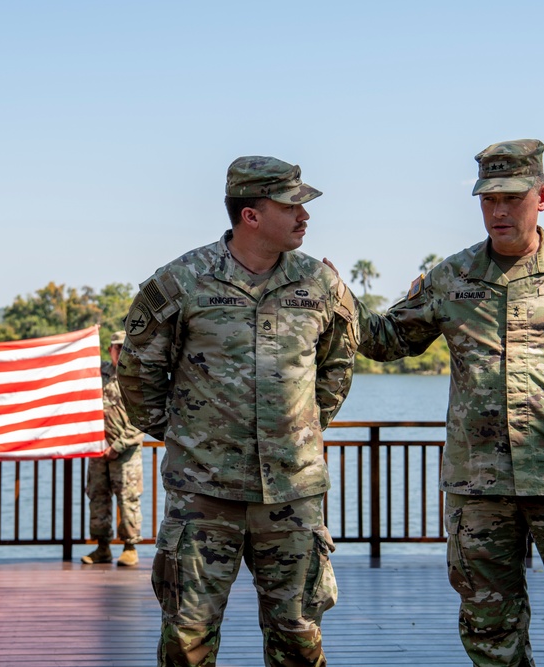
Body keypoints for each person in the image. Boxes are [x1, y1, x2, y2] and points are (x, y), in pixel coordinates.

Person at [355, 139, 544, 666]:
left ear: (541, 197)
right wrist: (333, 294)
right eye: (488, 199)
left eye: (511, 198)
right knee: (491, 636)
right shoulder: (452, 277)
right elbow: (386, 341)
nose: (498, 210)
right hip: (479, 490)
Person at [117, 156, 358, 666]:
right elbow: (137, 372)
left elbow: (338, 365)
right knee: (188, 639)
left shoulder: (320, 284)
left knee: (298, 636)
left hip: (292, 496)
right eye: (290, 205)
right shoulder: (183, 281)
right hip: (204, 495)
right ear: (251, 215)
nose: (303, 216)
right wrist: (183, 434)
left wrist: (302, 428)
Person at [82, 330, 146, 567]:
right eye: (116, 347)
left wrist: (118, 446)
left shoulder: (137, 376)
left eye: (124, 347)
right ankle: (102, 547)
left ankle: (130, 547)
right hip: (97, 450)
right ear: (109, 350)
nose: (120, 351)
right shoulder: (97, 374)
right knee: (97, 497)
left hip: (126, 453)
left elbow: (143, 418)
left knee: (127, 500)